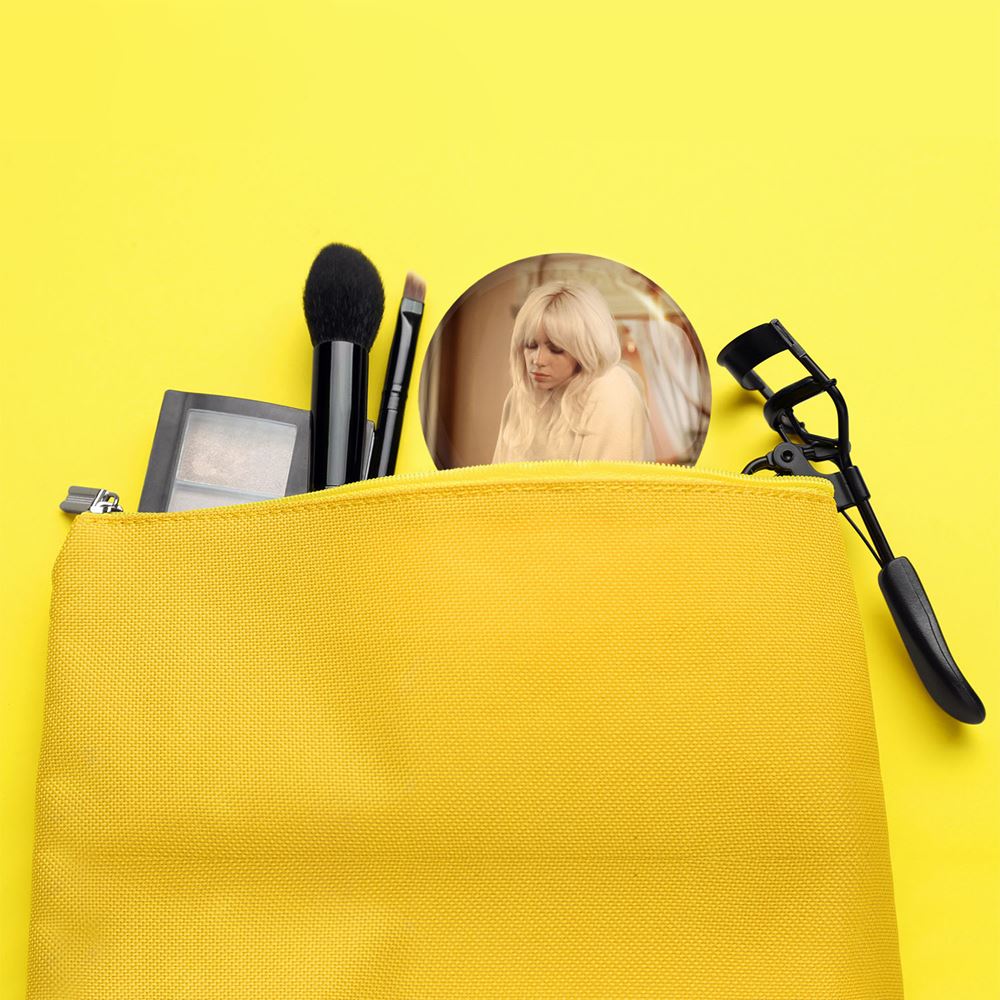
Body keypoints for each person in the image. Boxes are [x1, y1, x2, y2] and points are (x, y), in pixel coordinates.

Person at [492, 281, 654, 463]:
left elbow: (605, 480)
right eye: (530, 345)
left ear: (584, 349)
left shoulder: (611, 389)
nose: (538, 360)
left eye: (555, 349)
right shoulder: (519, 396)